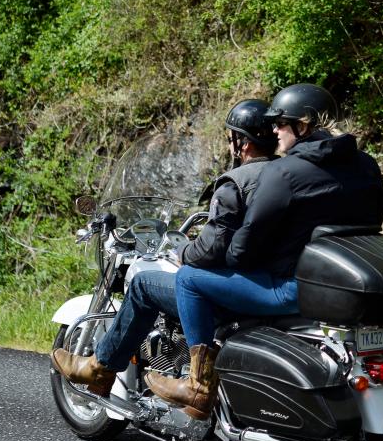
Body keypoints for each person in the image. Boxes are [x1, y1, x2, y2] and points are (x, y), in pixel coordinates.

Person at [146, 83, 383, 418]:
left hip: (291, 288)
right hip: (341, 287)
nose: (274, 130)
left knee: (188, 278)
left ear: (303, 126)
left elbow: (242, 250)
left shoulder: (285, 172)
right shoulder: (366, 166)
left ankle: (197, 385)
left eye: (281, 123)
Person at [51, 99, 278, 396]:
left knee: (145, 284)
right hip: (270, 282)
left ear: (243, 143)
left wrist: (183, 252)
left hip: (235, 290)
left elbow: (213, 248)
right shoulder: (286, 176)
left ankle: (101, 368)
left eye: (231, 138)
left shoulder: (235, 184)